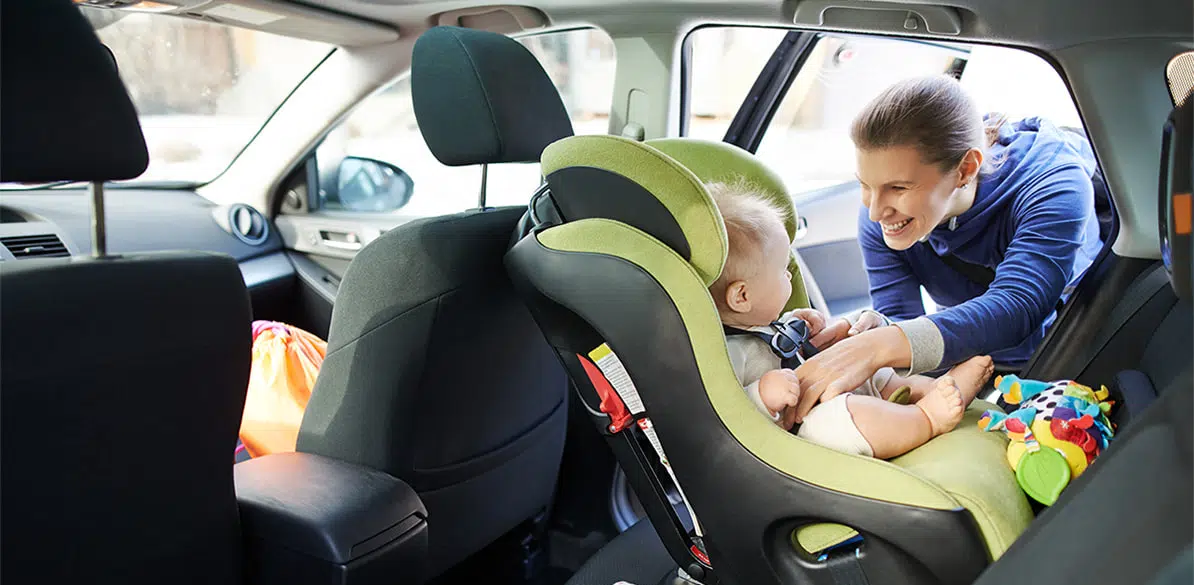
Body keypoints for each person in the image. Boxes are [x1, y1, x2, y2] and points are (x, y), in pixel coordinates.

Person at [793, 75, 1102, 423]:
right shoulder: (881, 217)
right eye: (865, 184)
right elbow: (902, 320)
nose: (876, 210)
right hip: (971, 355)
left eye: (898, 187)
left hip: (1068, 349)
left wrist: (878, 347)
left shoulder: (1054, 185)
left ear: (965, 169)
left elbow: (1019, 305)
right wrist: (871, 330)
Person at [707, 180, 994, 458]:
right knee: (839, 418)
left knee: (871, 371)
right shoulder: (727, 352)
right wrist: (762, 396)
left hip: (823, 390)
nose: (790, 275)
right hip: (802, 429)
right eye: (782, 270)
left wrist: (801, 326)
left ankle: (931, 389)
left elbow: (779, 345)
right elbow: (727, 418)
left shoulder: (762, 322)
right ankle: (926, 417)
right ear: (742, 297)